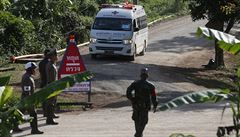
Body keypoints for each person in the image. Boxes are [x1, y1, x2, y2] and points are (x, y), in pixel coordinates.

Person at [126, 68, 158, 137]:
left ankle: (138, 134)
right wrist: (155, 105)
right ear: (147, 76)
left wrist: (133, 99)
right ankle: (138, 134)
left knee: (137, 120)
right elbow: (154, 97)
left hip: (136, 105)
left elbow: (128, 93)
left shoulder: (135, 84)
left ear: (140, 75)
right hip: (145, 106)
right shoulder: (150, 85)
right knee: (143, 121)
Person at [21, 62, 44, 134]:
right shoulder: (27, 78)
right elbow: (27, 90)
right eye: (34, 69)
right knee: (33, 114)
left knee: (20, 113)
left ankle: (15, 127)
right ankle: (34, 129)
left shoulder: (28, 76)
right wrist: (30, 100)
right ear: (30, 69)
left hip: (26, 98)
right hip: (28, 99)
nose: (35, 70)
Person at [45, 48, 59, 125]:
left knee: (52, 103)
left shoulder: (51, 64)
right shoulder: (51, 66)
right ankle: (49, 119)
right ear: (52, 56)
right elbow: (52, 79)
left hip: (52, 85)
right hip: (52, 86)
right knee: (50, 103)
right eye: (56, 55)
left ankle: (51, 117)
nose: (57, 57)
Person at [39, 49, 50, 117]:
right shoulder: (49, 63)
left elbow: (40, 73)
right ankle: (49, 113)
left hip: (43, 81)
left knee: (44, 99)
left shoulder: (41, 63)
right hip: (48, 82)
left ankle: (45, 112)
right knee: (50, 99)